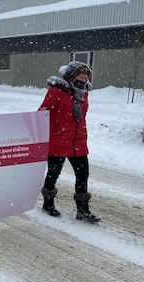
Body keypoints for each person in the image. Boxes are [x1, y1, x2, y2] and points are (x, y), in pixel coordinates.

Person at [38, 61, 100, 223]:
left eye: (86, 77)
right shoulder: (57, 91)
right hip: (58, 140)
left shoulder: (83, 93)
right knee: (53, 173)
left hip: (77, 141)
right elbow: (42, 112)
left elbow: (80, 118)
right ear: (72, 76)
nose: (84, 80)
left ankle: (83, 210)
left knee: (82, 174)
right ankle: (48, 204)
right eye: (81, 76)